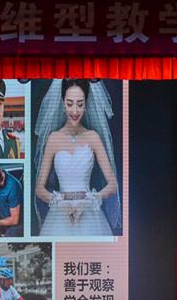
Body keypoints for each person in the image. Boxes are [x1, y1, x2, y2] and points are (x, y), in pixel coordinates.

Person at [34, 79, 120, 236]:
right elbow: (39, 188)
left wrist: (90, 200)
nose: (75, 111)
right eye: (70, 104)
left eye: (80, 104)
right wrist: (59, 203)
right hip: (60, 213)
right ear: (63, 103)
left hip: (89, 214)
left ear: (86, 104)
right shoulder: (54, 138)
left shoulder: (93, 137)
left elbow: (113, 184)